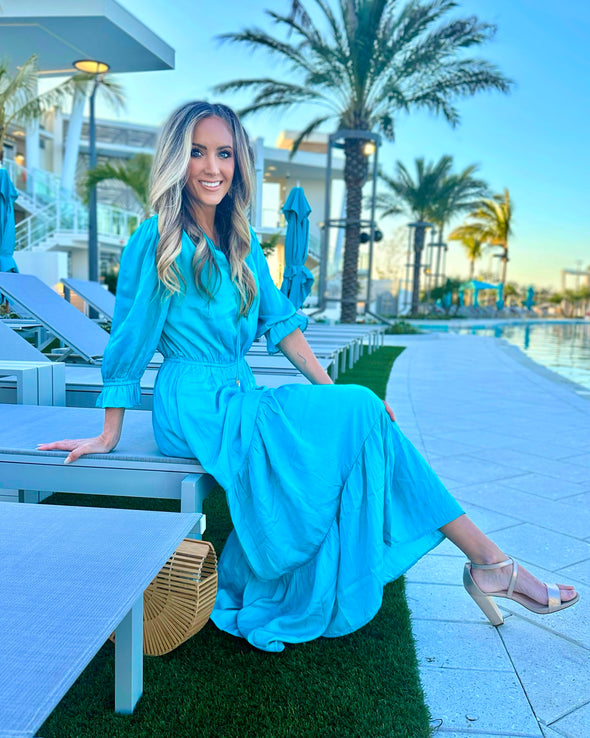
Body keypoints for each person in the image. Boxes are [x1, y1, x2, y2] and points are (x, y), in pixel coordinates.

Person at [39, 102, 578, 652]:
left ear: (239, 163)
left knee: (359, 410)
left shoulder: (241, 241)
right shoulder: (157, 238)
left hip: (236, 391)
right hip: (192, 401)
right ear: (178, 160)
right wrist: (109, 431)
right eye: (197, 152)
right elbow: (129, 340)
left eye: (224, 153)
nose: (211, 167)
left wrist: (332, 390)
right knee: (362, 412)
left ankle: (489, 562)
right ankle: (491, 562)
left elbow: (283, 325)